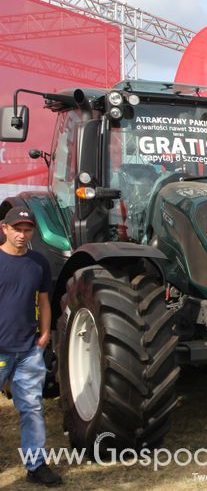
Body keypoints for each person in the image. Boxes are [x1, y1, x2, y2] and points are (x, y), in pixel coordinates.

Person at [0, 207, 62, 486]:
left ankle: (35, 466)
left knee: (32, 409)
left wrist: (45, 333)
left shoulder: (38, 262)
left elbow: (44, 301)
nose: (22, 235)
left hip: (28, 350)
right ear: (5, 229)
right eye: (17, 229)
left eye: (27, 230)